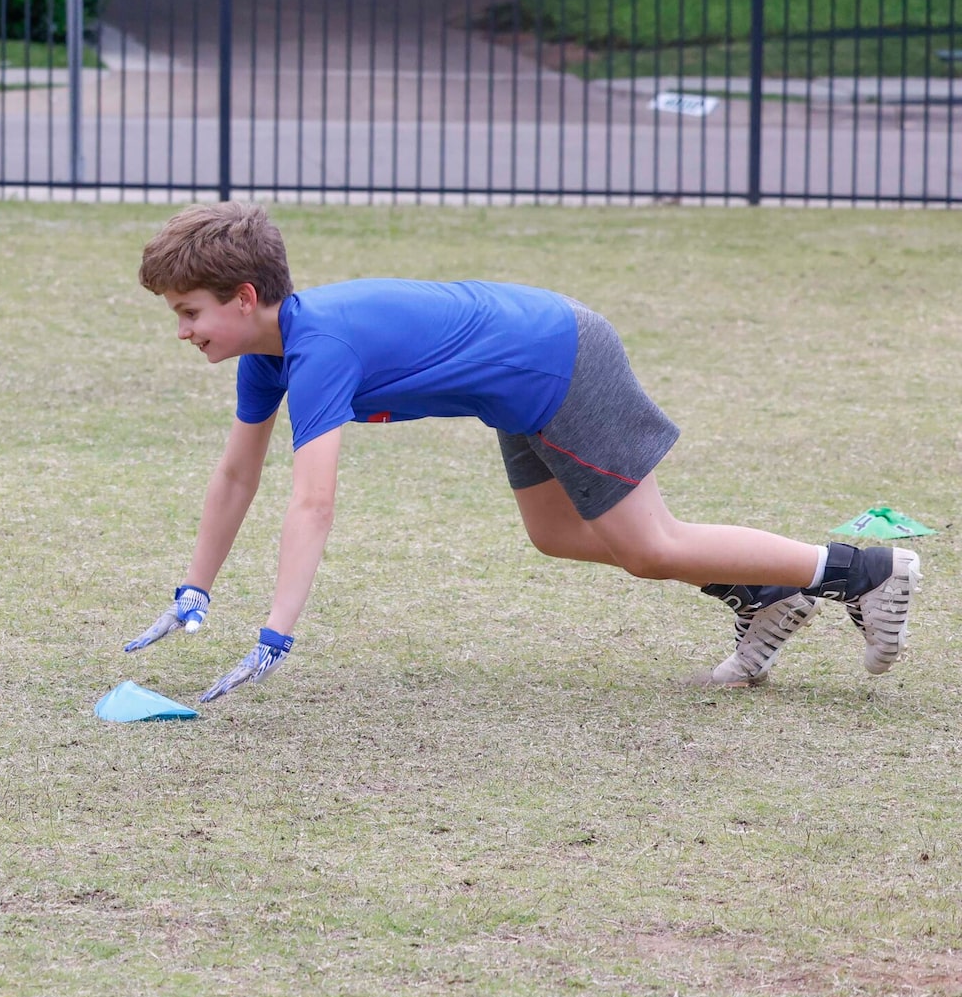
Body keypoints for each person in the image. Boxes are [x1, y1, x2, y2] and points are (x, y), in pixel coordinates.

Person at [125, 202, 920, 702]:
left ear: (246, 298)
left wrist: (276, 636)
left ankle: (864, 572)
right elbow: (238, 474)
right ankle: (766, 592)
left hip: (557, 358)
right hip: (516, 379)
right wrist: (194, 588)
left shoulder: (317, 348)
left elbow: (312, 501)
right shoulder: (268, 356)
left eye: (190, 311)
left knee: (650, 547)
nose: (184, 330)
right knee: (556, 535)